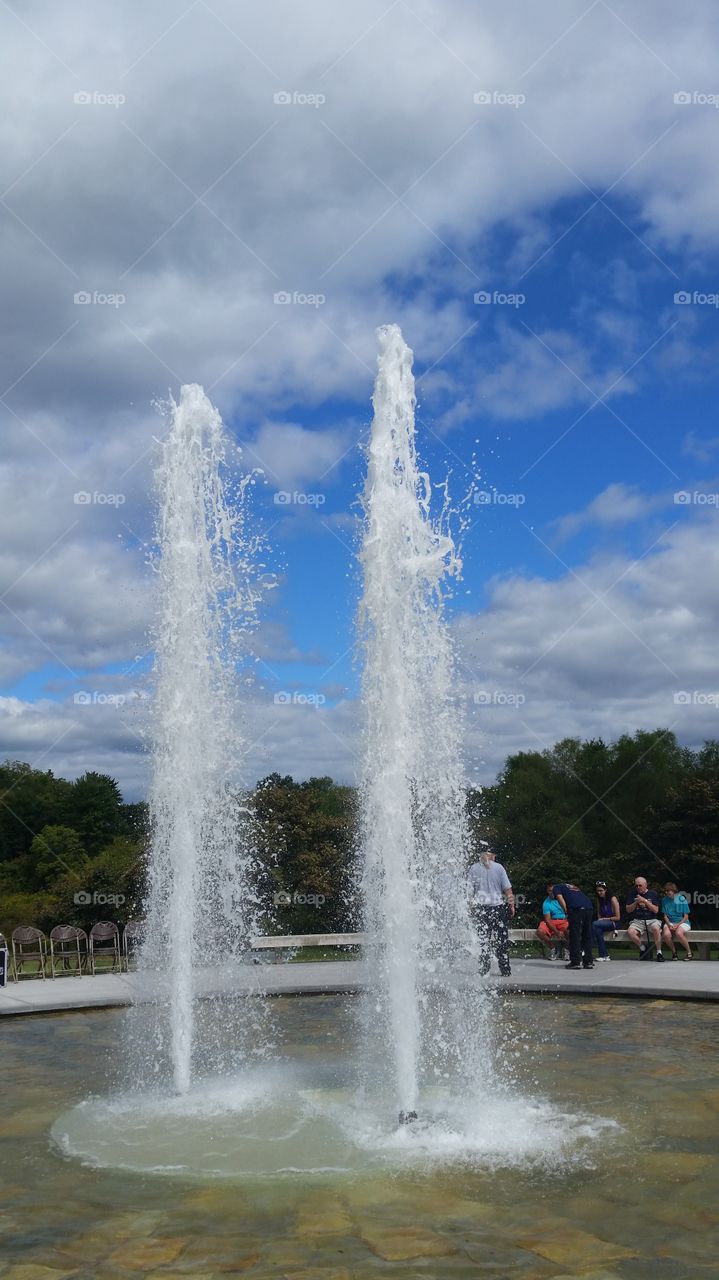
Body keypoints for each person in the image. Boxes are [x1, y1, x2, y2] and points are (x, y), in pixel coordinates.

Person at [468, 848, 515, 976]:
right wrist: (511, 905)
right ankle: (505, 969)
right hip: (497, 908)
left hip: (481, 909)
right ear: (491, 855)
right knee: (502, 940)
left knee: (483, 940)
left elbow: (469, 891)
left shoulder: (473, 868)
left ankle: (484, 968)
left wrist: (470, 907)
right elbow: (508, 889)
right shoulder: (499, 868)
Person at [552, 882, 594, 970]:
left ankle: (575, 962)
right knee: (587, 935)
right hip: (589, 908)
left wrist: (566, 911)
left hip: (576, 909)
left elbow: (560, 898)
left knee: (575, 935)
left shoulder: (556, 887)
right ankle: (588, 961)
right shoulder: (573, 887)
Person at [626, 876, 663, 961]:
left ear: (645, 885)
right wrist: (636, 902)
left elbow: (656, 910)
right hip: (638, 920)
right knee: (630, 932)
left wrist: (645, 901)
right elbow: (628, 909)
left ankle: (659, 952)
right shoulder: (632, 893)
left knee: (656, 928)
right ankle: (642, 948)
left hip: (651, 919)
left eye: (640, 885)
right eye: (636, 886)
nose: (638, 887)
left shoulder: (652, 893)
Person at [536, 883, 569, 960]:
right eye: (550, 891)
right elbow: (547, 920)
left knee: (571, 930)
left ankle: (566, 950)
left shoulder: (564, 899)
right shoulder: (546, 903)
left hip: (564, 920)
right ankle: (553, 949)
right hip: (551, 921)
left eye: (553, 891)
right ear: (547, 891)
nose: (552, 892)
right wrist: (557, 932)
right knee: (540, 931)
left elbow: (570, 913)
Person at [661, 883, 693, 960]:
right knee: (666, 935)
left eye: (669, 890)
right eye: (666, 891)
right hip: (670, 922)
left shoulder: (681, 899)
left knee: (678, 933)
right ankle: (674, 953)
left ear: (674, 891)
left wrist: (677, 925)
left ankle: (689, 953)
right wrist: (669, 925)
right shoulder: (664, 900)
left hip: (683, 922)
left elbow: (686, 917)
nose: (667, 892)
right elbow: (665, 916)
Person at [592, 882, 620, 962]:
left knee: (594, 924)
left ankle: (585, 948)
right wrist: (600, 920)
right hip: (602, 923)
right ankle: (604, 955)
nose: (599, 892)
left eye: (601, 890)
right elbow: (599, 914)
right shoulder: (599, 900)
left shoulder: (612, 899)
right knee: (597, 930)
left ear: (606, 890)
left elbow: (618, 917)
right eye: (597, 891)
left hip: (614, 922)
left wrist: (603, 920)